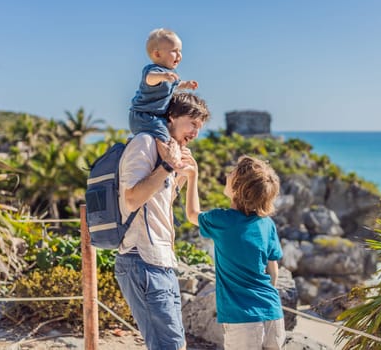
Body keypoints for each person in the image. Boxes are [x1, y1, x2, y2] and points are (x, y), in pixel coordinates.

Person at [115, 92, 210, 350]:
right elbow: (132, 199)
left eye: (199, 127)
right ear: (171, 116)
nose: (195, 132)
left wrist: (184, 175)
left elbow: (159, 204)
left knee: (173, 345)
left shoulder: (166, 151)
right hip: (142, 259)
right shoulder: (144, 142)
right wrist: (167, 166)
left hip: (161, 262)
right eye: (192, 123)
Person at [183, 155, 286, 350]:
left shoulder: (222, 220)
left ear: (239, 188)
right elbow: (273, 273)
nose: (227, 174)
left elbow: (191, 214)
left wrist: (192, 176)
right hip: (272, 311)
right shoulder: (267, 224)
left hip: (242, 318)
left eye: (232, 173)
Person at [128, 28, 198, 166]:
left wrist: (187, 84)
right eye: (174, 51)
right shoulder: (153, 70)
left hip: (156, 116)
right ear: (157, 54)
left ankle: (139, 146)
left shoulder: (170, 73)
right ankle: (167, 163)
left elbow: (176, 84)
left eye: (180, 51)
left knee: (171, 132)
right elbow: (150, 79)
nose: (179, 55)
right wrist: (162, 77)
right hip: (144, 116)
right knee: (163, 136)